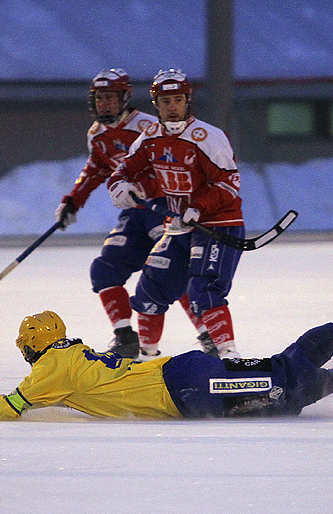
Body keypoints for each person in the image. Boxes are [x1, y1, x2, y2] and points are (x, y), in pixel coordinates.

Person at [0, 288, 333, 420]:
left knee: (282, 385)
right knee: (281, 387)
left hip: (185, 387)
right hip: (186, 379)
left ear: (33, 344)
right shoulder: (73, 353)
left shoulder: (50, 367)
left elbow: (9, 409)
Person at [53, 68, 214, 360]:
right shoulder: (97, 134)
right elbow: (97, 168)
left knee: (169, 270)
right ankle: (125, 338)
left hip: (164, 208)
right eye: (100, 98)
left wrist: (141, 185)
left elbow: (172, 167)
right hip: (134, 215)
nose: (104, 104)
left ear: (125, 98)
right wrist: (72, 201)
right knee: (104, 269)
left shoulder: (148, 127)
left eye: (110, 98)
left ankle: (209, 336)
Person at [106, 68, 244, 360]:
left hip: (217, 226)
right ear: (155, 104)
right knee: (148, 292)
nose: (172, 107)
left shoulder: (208, 136)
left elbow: (229, 182)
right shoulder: (150, 137)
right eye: (166, 101)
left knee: (204, 291)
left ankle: (228, 357)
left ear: (187, 101)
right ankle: (146, 360)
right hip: (178, 226)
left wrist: (199, 207)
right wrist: (120, 186)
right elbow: (124, 171)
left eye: (178, 100)